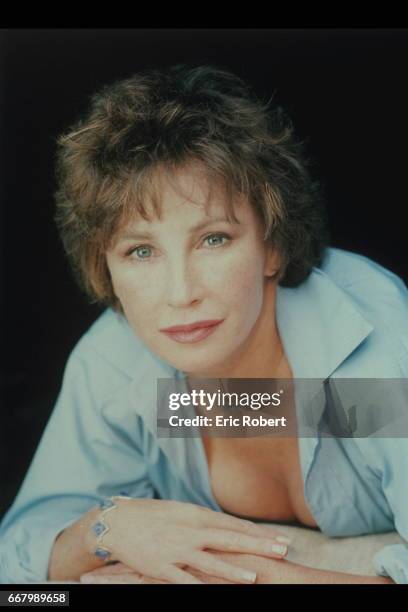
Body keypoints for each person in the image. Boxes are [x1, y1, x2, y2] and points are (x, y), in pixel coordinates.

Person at [0, 64, 407, 585]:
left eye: (213, 239)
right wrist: (105, 531)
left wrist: (250, 579)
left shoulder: (372, 365)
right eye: (140, 251)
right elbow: (19, 574)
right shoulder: (117, 362)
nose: (180, 293)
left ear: (272, 245)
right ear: (106, 266)